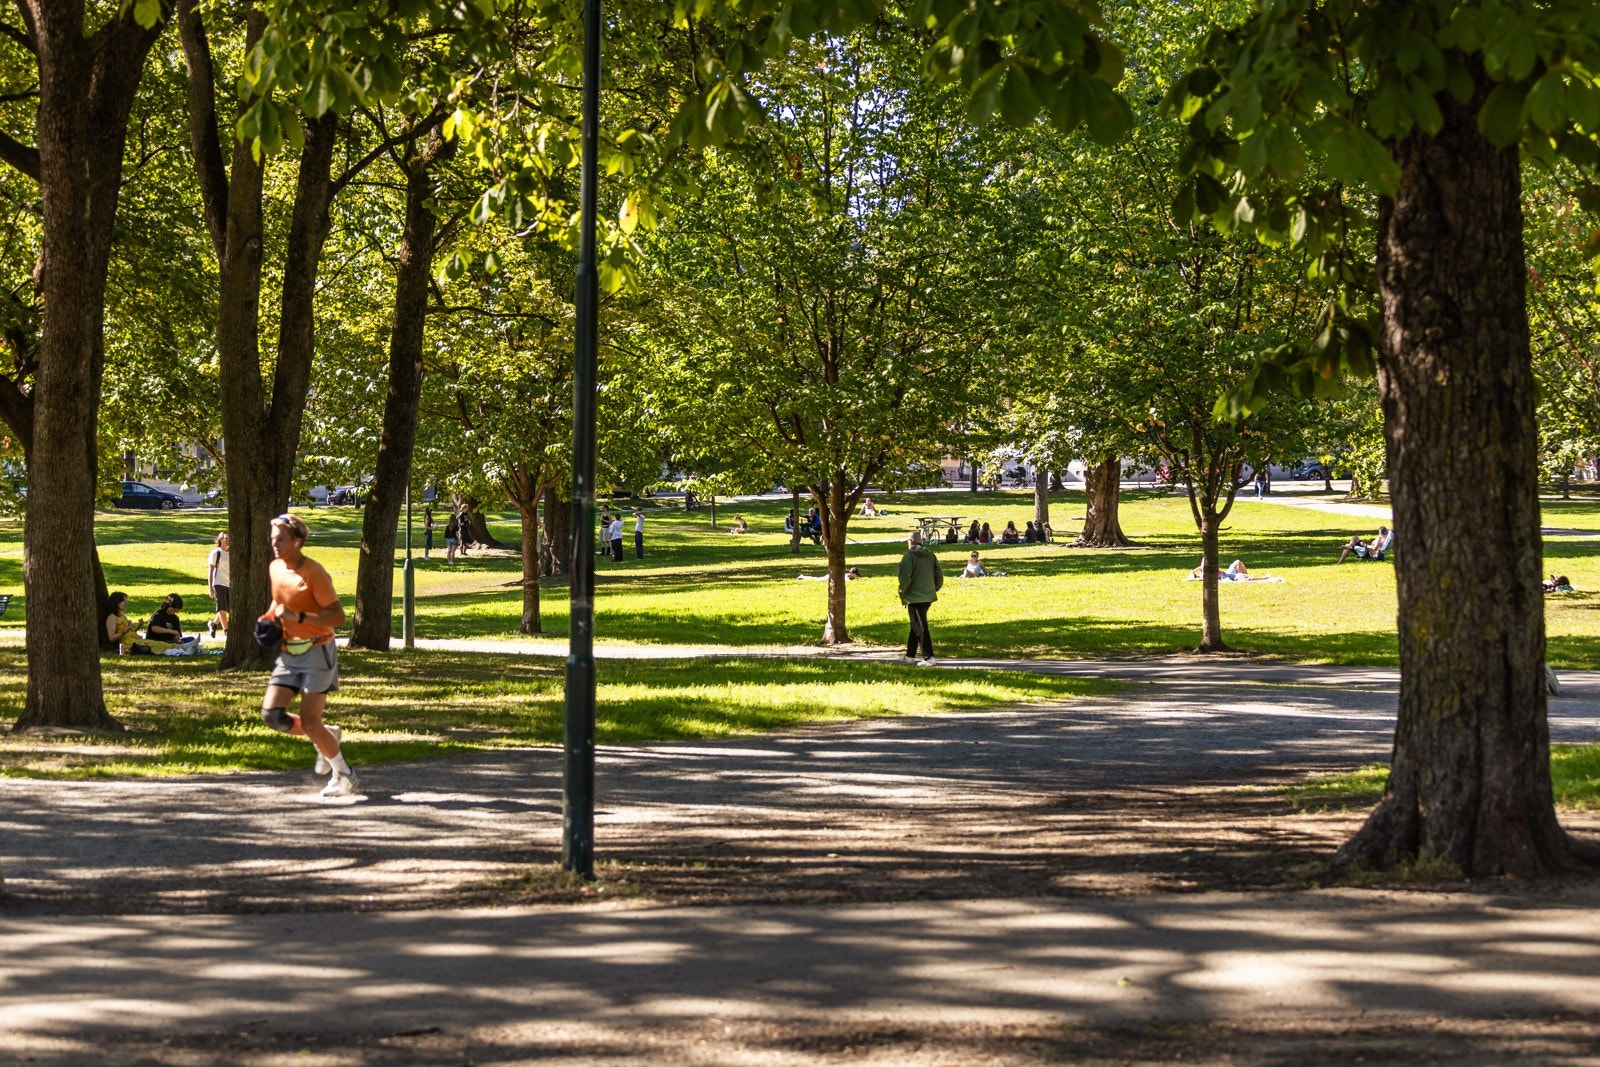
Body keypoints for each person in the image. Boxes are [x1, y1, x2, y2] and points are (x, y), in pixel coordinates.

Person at [258, 512, 357, 798]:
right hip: (290, 651)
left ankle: (344, 774)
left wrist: (298, 616)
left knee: (311, 721)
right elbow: (278, 600)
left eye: (281, 539)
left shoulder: (315, 573)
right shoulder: (276, 567)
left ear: (297, 542)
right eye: (273, 539)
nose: (274, 544)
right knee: (272, 715)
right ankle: (327, 734)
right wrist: (268, 618)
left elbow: (337, 616)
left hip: (318, 650)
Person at [898, 532, 943, 666]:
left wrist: (902, 592)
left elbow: (904, 577)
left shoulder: (909, 555)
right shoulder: (930, 555)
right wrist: (933, 588)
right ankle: (910, 655)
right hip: (928, 595)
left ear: (911, 541)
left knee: (920, 626)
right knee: (916, 625)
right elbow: (939, 575)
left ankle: (928, 657)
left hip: (914, 596)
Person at [206, 532, 230, 637]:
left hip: (229, 583)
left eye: (229, 538)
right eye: (226, 538)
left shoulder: (232, 553)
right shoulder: (216, 552)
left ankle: (213, 624)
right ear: (220, 540)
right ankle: (227, 631)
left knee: (227, 608)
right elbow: (211, 571)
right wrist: (210, 587)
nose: (228, 540)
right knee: (221, 608)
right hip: (218, 583)